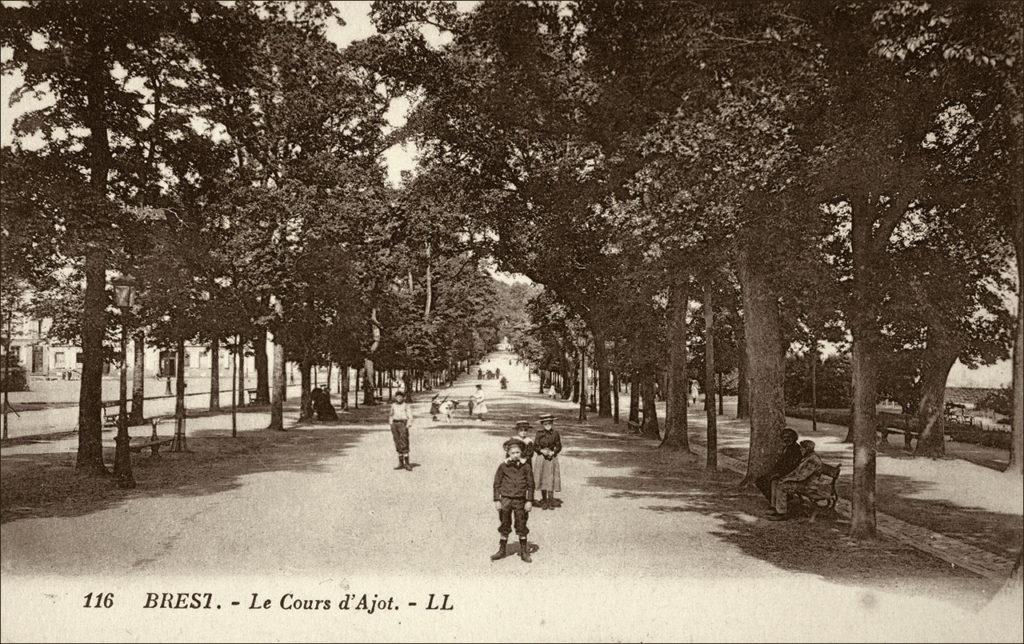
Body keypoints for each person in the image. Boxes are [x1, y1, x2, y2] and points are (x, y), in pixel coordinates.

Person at [491, 437, 534, 563]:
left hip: (520, 500)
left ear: (521, 453)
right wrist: (497, 500)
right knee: (504, 523)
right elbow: (496, 484)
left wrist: (529, 500)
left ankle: (524, 551)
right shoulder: (503, 466)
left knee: (521, 524)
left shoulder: (526, 467)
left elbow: (531, 485)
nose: (515, 455)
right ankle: (502, 550)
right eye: (513, 453)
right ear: (508, 453)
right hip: (505, 500)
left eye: (518, 453)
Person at [767, 440, 824, 521]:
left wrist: (786, 479)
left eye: (802, 448)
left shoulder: (813, 460)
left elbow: (802, 476)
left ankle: (782, 513)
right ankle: (775, 507)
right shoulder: (808, 456)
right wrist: (784, 477)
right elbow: (796, 472)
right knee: (775, 481)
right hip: (803, 483)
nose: (800, 450)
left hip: (809, 486)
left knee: (782, 486)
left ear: (807, 449)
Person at [755, 428, 803, 501]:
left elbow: (793, 466)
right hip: (781, 472)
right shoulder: (787, 447)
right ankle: (777, 499)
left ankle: (777, 501)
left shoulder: (796, 449)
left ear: (794, 438)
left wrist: (779, 474)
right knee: (760, 481)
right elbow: (781, 463)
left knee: (771, 481)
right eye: (784, 437)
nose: (786, 439)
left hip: (789, 473)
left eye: (788, 437)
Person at [533, 413, 562, 509]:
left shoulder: (555, 433)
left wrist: (553, 452)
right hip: (542, 457)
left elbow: (559, 446)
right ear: (542, 424)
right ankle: (544, 499)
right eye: (545, 423)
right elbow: (535, 446)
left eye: (549, 423)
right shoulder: (539, 433)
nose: (547, 425)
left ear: (552, 423)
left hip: (551, 457)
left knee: (551, 477)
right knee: (542, 477)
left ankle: (550, 499)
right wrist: (541, 451)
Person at [389, 391, 414, 471]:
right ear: (395, 397)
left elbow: (410, 416)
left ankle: (407, 463)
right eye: (397, 397)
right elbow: (391, 415)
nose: (399, 398)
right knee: (397, 442)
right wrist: (391, 423)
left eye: (400, 397)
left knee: (404, 442)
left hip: (403, 424)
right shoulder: (393, 405)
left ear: (403, 397)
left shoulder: (406, 405)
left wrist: (408, 424)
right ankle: (400, 463)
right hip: (395, 424)